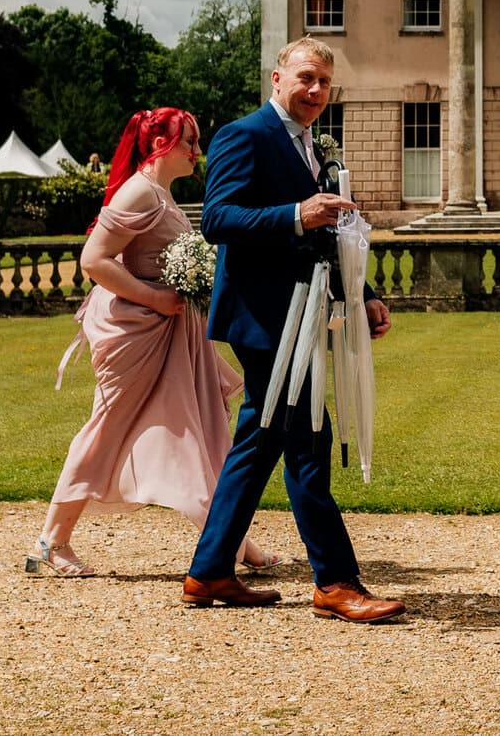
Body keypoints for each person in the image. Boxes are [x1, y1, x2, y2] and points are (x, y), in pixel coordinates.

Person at [180, 37, 401, 623]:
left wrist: (366, 296)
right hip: (264, 316)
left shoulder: (315, 148)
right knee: (307, 441)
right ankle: (334, 581)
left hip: (305, 313)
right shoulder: (243, 135)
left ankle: (208, 572)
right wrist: (294, 214)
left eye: (325, 83)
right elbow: (218, 219)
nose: (315, 92)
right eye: (305, 78)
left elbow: (331, 235)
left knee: (258, 442)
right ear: (276, 78)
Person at [28, 108, 277, 577]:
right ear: (159, 144)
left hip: (164, 330)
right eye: (189, 142)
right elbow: (93, 260)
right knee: (108, 429)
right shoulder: (140, 192)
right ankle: (51, 540)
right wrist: (156, 299)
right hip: (136, 333)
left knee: (199, 428)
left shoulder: (160, 193)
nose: (197, 152)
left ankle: (237, 541)